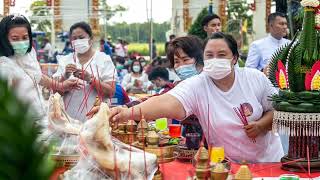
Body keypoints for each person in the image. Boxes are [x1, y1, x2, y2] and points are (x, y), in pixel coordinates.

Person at [108, 32, 284, 163]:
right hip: (228, 166)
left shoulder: (254, 78)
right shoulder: (198, 85)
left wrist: (261, 125)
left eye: (221, 55)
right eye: (209, 55)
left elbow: (280, 110)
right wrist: (125, 112)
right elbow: (165, 102)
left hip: (269, 162)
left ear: (235, 58)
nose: (215, 60)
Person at [0, 14, 80, 124]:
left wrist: (62, 85)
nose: (21, 42)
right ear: (4, 39)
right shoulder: (4, 66)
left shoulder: (29, 55)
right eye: (15, 39)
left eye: (25, 37)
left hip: (39, 120)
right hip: (21, 126)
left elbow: (38, 76)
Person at [53, 21, 117, 122]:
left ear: (90, 39)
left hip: (96, 121)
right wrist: (64, 78)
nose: (78, 41)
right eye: (74, 38)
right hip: (69, 122)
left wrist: (90, 79)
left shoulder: (104, 60)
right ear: (71, 41)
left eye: (81, 37)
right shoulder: (65, 61)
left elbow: (111, 92)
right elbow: (55, 93)